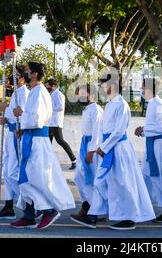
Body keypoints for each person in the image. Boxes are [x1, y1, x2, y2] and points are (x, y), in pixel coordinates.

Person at [85, 73, 155, 230]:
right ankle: (94, 214)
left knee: (123, 183)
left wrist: (103, 147)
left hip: (118, 149)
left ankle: (129, 217)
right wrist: (101, 146)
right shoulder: (109, 104)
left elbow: (118, 131)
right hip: (108, 148)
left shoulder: (122, 105)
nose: (101, 88)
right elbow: (104, 130)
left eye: (103, 85)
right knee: (102, 180)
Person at [10, 62, 75, 229]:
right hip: (30, 139)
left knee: (34, 178)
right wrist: (22, 130)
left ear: (34, 74)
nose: (24, 74)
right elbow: (31, 119)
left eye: (27, 71)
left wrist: (21, 115)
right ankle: (29, 214)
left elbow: (37, 120)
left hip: (37, 142)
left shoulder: (40, 93)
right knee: (25, 178)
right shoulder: (34, 92)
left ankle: (48, 210)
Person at [0, 66, 30, 220]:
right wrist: (4, 118)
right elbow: (13, 115)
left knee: (12, 172)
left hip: (18, 136)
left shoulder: (24, 93)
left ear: (23, 78)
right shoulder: (15, 93)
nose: (12, 77)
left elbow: (25, 115)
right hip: (10, 133)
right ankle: (8, 206)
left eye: (16, 75)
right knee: (6, 171)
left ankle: (29, 202)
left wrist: (10, 114)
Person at [134, 78, 162, 223]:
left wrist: (144, 130)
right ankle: (142, 207)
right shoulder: (152, 104)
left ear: (149, 89)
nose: (141, 90)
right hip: (152, 144)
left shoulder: (158, 104)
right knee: (147, 175)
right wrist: (144, 130)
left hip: (159, 145)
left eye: (142, 87)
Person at [69, 83, 104, 227]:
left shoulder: (96, 109)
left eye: (83, 93)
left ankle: (93, 212)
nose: (80, 96)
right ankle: (88, 206)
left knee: (91, 179)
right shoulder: (87, 109)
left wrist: (91, 151)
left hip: (92, 148)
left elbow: (97, 132)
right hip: (85, 145)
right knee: (79, 177)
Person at [45, 79, 77, 170]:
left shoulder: (58, 94)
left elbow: (60, 107)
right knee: (48, 143)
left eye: (48, 86)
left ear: (54, 86)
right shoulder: (51, 94)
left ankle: (73, 160)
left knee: (60, 141)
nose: (47, 88)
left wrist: (49, 109)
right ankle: (48, 162)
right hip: (50, 122)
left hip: (56, 122)